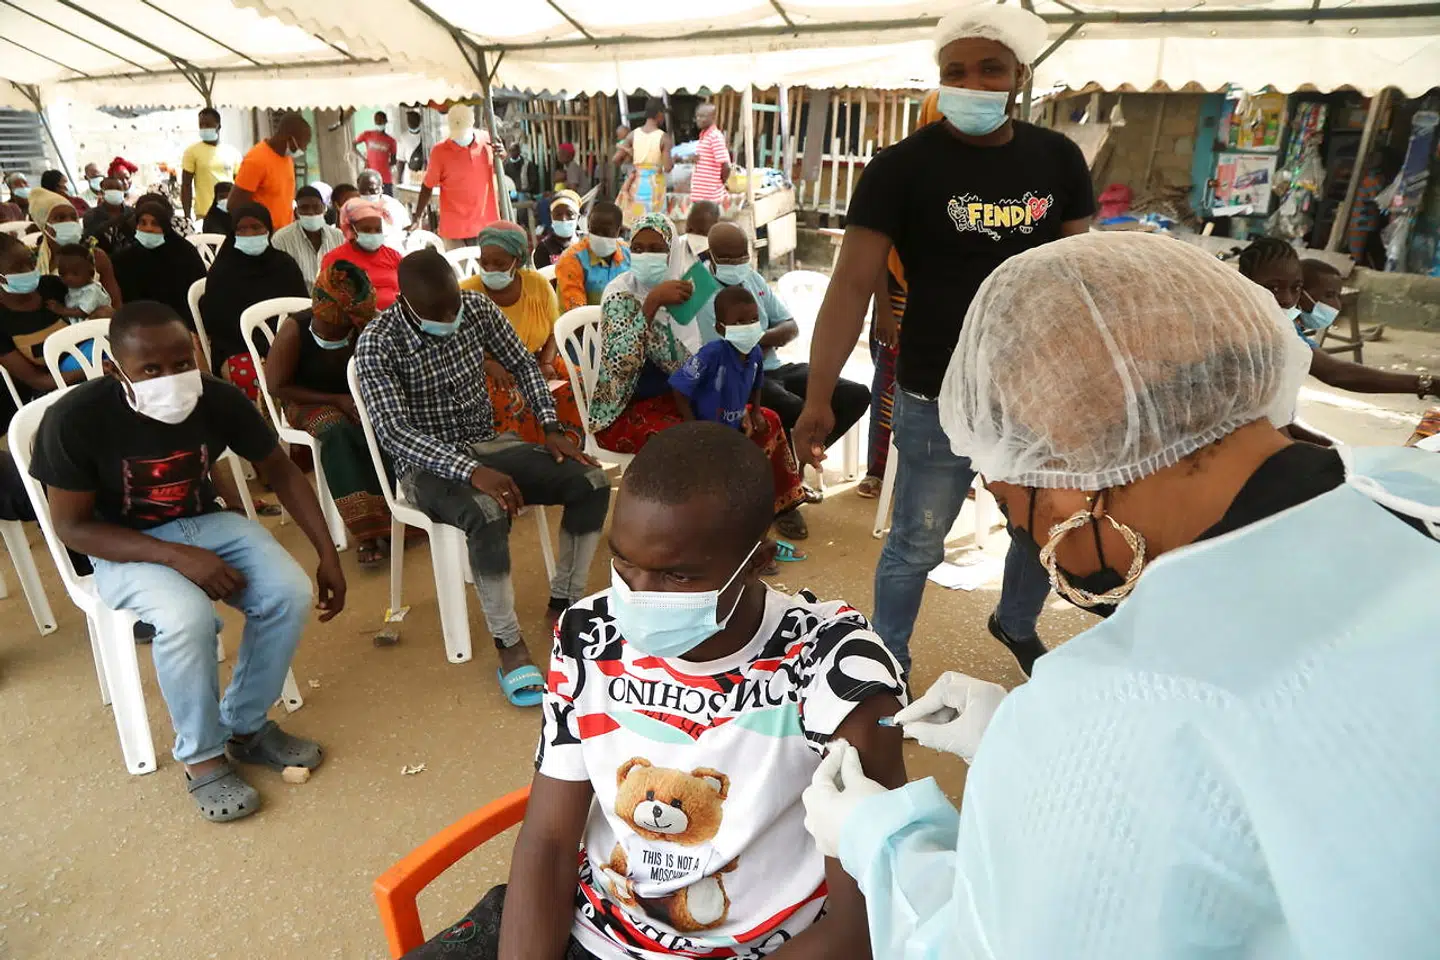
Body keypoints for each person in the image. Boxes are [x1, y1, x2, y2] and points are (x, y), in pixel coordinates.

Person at [801, 229, 1440, 958]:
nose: (1031, 543)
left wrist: (883, 841)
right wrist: (1011, 733)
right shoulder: (1411, 491)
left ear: (1076, 468)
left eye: (1015, 509)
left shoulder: (1121, 708)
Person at [405, 421, 905, 960]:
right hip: (597, 926)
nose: (635, 597)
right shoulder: (590, 634)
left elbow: (862, 922)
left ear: (756, 563)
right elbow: (549, 842)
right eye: (623, 561)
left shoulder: (837, 672)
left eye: (678, 577)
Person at [791, 5, 1096, 678]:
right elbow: (848, 287)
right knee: (917, 541)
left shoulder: (1059, 159)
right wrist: (817, 395)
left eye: (990, 67)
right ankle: (887, 659)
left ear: (1019, 74)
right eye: (955, 70)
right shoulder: (900, 168)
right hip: (937, 388)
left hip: (1034, 390)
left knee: (1043, 527)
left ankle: (1014, 621)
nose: (972, 82)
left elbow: (1080, 276)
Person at [29, 300, 346, 822]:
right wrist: (176, 556)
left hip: (207, 523)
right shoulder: (76, 419)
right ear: (116, 370)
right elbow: (71, 527)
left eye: (180, 363)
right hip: (119, 544)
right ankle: (200, 756)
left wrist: (326, 551)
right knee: (186, 619)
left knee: (287, 594)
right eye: (149, 369)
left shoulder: (216, 399)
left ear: (195, 351)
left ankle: (245, 726)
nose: (169, 379)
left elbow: (281, 471)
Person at [354, 249, 611, 705]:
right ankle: (508, 643)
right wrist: (472, 472)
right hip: (425, 465)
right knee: (488, 512)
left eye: (454, 302)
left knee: (590, 482)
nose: (450, 316)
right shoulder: (378, 342)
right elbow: (395, 433)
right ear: (407, 303)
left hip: (490, 443)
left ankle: (565, 604)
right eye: (437, 312)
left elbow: (523, 363)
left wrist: (550, 426)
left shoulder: (474, 308)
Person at [590, 214, 810, 538]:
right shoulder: (619, 294)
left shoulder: (686, 293)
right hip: (628, 410)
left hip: (682, 397)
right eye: (637, 248)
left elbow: (695, 361)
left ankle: (773, 511)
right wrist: (652, 304)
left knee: (766, 420)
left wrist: (735, 404)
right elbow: (621, 364)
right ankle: (706, 531)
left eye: (655, 248)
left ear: (671, 253)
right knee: (705, 440)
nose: (645, 255)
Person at [264, 259, 391, 567]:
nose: (340, 330)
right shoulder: (295, 330)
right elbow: (277, 386)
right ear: (321, 310)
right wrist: (335, 399)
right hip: (303, 400)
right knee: (334, 430)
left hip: (351, 396)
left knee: (383, 422)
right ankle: (366, 531)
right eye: (334, 325)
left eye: (345, 325)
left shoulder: (359, 326)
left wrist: (361, 400)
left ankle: (394, 511)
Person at [698, 222, 870, 448]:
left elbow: (791, 327)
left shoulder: (752, 278)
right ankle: (791, 464)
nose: (737, 264)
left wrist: (757, 339)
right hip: (740, 378)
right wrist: (767, 339)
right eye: (728, 260)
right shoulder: (701, 290)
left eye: (741, 257)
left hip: (776, 367)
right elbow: (734, 354)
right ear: (711, 255)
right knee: (799, 411)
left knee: (855, 394)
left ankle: (806, 454)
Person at [1238, 238, 1440, 403]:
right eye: (1273, 288)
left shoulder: (1285, 327)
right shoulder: (1255, 332)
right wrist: (1427, 384)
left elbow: (1272, 413)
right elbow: (1335, 373)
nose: (1287, 299)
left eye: (1295, 287)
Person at [459, 220, 584, 445]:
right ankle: (526, 460)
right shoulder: (466, 292)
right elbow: (455, 348)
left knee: (579, 383)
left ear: (517, 261)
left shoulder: (537, 285)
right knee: (512, 400)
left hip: (538, 359)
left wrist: (546, 363)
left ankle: (573, 451)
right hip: (490, 369)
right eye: (485, 262)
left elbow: (554, 330)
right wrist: (487, 364)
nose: (490, 269)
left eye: (499, 263)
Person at [200, 203, 307, 396]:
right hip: (238, 347)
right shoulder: (222, 272)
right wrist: (262, 349)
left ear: (268, 229)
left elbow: (302, 310)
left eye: (256, 227)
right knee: (254, 376)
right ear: (233, 233)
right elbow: (217, 324)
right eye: (242, 229)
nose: (249, 234)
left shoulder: (285, 265)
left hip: (287, 344)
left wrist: (280, 346)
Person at [0, 234, 84, 407]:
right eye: (18, 268)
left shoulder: (53, 287)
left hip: (94, 368)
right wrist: (92, 369)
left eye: (31, 261)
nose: (30, 270)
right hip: (51, 395)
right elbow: (38, 380)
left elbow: (92, 308)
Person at [410, 104, 499, 248]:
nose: (460, 138)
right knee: (458, 269)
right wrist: (417, 217)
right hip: (454, 229)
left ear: (472, 124)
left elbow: (498, 166)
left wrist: (503, 155)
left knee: (485, 269)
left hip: (485, 225)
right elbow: (428, 185)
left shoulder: (488, 141)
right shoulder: (440, 151)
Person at [858, 250, 908, 499]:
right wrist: (884, 309)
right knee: (888, 392)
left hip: (942, 301)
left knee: (940, 396)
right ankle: (878, 471)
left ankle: (920, 474)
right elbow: (879, 255)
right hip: (897, 300)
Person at [110, 198, 206, 322]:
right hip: (139, 325)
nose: (148, 228)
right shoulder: (124, 260)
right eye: (143, 223)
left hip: (181, 323)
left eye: (155, 223)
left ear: (165, 227)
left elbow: (199, 298)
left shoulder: (184, 254)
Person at [28, 187, 123, 307]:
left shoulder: (95, 256)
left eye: (74, 217)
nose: (69, 222)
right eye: (60, 218)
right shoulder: (32, 261)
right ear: (44, 225)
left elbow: (116, 303)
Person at [228, 113, 311, 229]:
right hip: (265, 236)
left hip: (284, 235)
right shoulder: (256, 160)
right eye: (302, 145)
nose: (303, 150)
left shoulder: (287, 159)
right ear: (288, 138)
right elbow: (234, 205)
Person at [321, 197, 403, 310]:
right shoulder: (335, 259)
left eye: (378, 230)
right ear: (352, 230)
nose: (373, 234)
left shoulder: (393, 256)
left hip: (394, 320)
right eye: (366, 230)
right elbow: (327, 300)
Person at [555, 199, 630, 311]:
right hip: (584, 324)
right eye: (594, 231)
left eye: (606, 232)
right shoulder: (571, 260)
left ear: (618, 231)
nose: (599, 236)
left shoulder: (627, 254)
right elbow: (577, 314)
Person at [270, 185, 345, 292]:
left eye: (316, 207)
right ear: (296, 212)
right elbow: (278, 278)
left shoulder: (338, 236)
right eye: (304, 208)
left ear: (324, 208)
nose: (311, 212)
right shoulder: (281, 239)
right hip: (296, 301)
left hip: (331, 301)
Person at [614, 99, 673, 224]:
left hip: (637, 185)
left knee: (636, 223)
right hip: (655, 187)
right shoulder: (664, 138)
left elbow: (616, 159)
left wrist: (630, 154)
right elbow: (668, 167)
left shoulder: (632, 135)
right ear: (659, 114)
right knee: (654, 224)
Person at [181, 107, 241, 222]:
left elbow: (239, 184)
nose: (204, 128)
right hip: (205, 214)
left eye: (208, 125)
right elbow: (186, 185)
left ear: (218, 126)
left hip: (230, 213)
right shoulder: (192, 151)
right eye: (201, 125)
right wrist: (187, 216)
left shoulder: (233, 153)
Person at [49, 243, 113, 321]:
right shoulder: (74, 287)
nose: (68, 278)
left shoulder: (92, 291)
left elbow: (82, 312)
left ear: (91, 273)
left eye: (75, 273)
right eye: (62, 274)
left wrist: (61, 310)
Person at [80, 176, 136, 254]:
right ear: (101, 192)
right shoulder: (90, 215)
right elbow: (89, 242)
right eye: (110, 188)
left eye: (118, 188)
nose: (115, 191)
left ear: (123, 191)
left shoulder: (132, 213)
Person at [355, 170, 411, 248]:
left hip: (393, 253)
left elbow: (407, 228)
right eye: (363, 191)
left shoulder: (395, 206)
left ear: (381, 188)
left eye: (372, 190)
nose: (367, 194)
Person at [690, 103, 732, 204]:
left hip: (710, 196)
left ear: (713, 117)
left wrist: (719, 183)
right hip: (701, 195)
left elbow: (726, 166)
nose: (698, 119)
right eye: (697, 116)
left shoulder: (715, 136)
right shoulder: (704, 135)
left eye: (702, 116)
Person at [353, 110, 398, 196]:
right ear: (374, 121)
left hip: (385, 179)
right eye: (377, 120)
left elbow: (393, 160)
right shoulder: (367, 134)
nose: (379, 122)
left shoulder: (391, 141)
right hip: (370, 177)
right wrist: (363, 159)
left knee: (387, 203)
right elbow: (353, 145)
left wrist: (384, 164)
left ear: (386, 121)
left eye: (381, 120)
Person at [533, 188, 580, 268]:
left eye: (569, 214)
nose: (563, 219)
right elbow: (544, 278)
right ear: (551, 217)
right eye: (558, 214)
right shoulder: (544, 248)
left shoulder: (586, 243)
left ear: (578, 218)